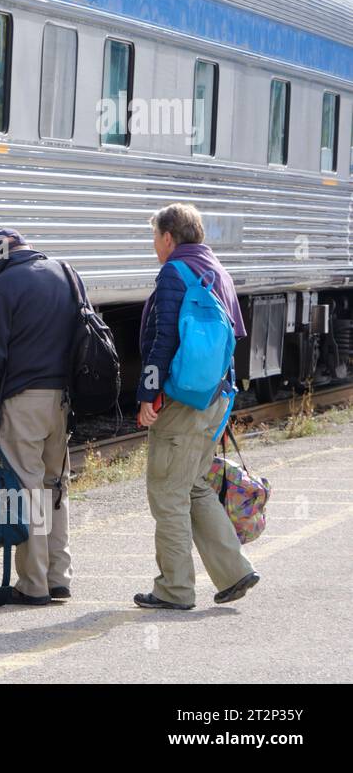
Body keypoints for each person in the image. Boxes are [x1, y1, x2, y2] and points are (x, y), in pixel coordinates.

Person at [133, 203, 259, 610]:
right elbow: (234, 338)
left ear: (169, 237)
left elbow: (163, 338)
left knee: (167, 492)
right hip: (215, 396)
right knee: (193, 484)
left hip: (181, 401)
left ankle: (174, 589)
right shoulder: (217, 270)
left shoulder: (174, 272)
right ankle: (234, 571)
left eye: (155, 237)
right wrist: (224, 404)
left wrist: (148, 395)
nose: (154, 245)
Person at [0, 228, 78, 605]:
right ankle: (58, 577)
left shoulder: (1, 287)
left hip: (24, 401)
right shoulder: (65, 273)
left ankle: (33, 584)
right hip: (63, 400)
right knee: (56, 487)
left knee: (28, 489)